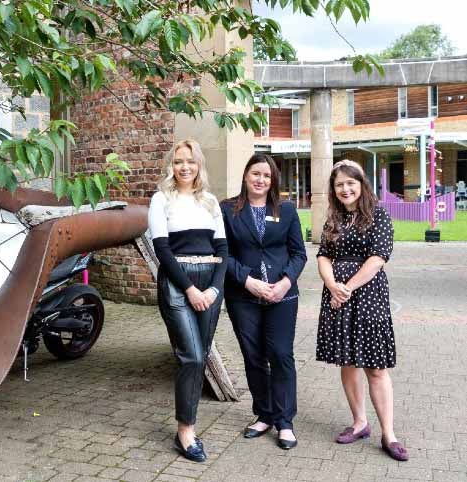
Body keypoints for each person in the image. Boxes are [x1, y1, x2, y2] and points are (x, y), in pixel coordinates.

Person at [316, 160, 407, 461]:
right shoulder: (333, 219)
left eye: (350, 182)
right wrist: (332, 285)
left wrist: (346, 288)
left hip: (367, 295)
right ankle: (359, 423)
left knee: (376, 367)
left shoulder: (378, 214)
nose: (345, 188)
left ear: (361, 183)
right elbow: (323, 256)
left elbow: (378, 258)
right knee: (347, 362)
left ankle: (389, 434)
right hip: (338, 297)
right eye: (339, 184)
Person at [220, 154, 307, 450]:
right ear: (245, 176)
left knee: (281, 354)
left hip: (282, 295)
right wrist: (247, 280)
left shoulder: (286, 210)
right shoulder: (228, 209)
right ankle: (264, 414)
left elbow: (299, 254)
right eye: (256, 174)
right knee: (253, 356)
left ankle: (285, 421)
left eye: (267, 176)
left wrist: (284, 283)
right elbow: (223, 254)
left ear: (273, 181)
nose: (261, 180)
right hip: (243, 295)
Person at [148, 139, 227, 463]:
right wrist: (190, 290)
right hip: (177, 285)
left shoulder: (210, 201)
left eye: (190, 162)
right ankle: (185, 431)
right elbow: (162, 251)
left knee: (201, 354)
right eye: (179, 161)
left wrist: (214, 290)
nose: (184, 167)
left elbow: (223, 250)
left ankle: (189, 425)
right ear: (172, 165)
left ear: (199, 166)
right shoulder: (160, 199)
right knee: (192, 357)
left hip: (210, 284)